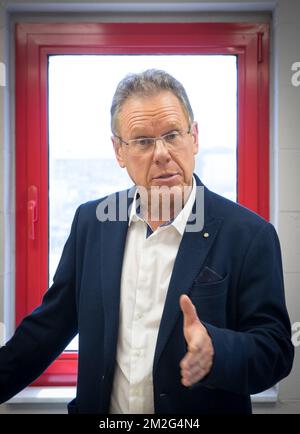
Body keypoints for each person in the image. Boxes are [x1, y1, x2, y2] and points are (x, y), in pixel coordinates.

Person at [0, 69, 294, 414]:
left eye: (172, 135)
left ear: (194, 137)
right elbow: (47, 330)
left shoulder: (248, 234)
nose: (161, 153)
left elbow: (274, 351)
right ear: (118, 151)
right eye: (142, 141)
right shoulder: (92, 223)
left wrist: (216, 349)